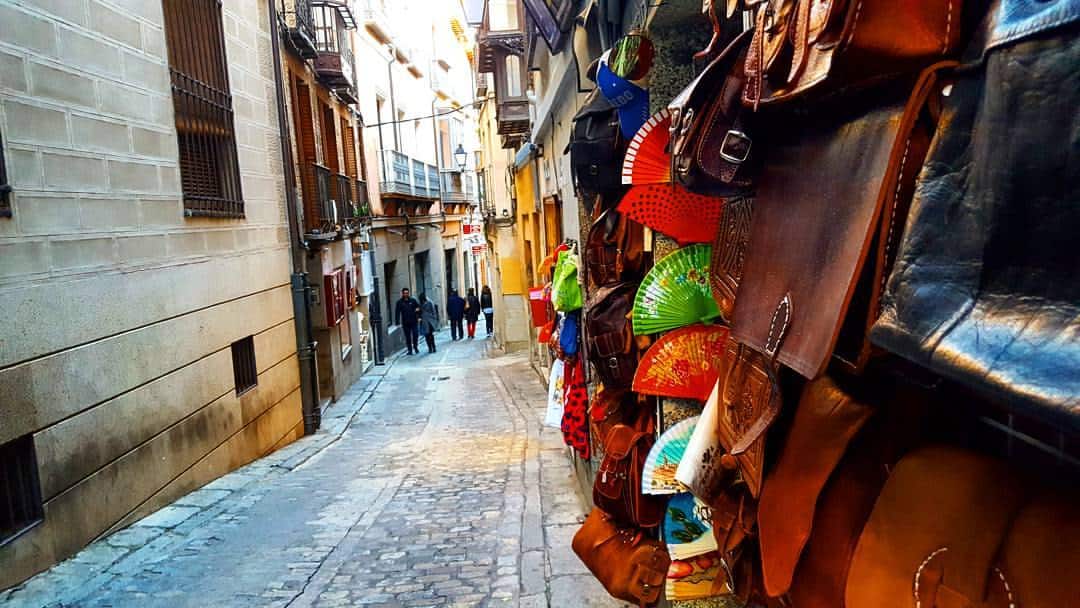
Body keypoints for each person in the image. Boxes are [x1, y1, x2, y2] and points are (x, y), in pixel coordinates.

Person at [394, 288, 421, 355]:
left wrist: (419, 316)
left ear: (408, 293)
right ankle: (410, 350)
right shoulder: (399, 302)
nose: (406, 294)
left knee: (415, 335)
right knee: (408, 337)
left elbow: (418, 308)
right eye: (404, 293)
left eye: (407, 293)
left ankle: (415, 346)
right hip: (405, 322)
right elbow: (397, 312)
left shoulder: (413, 300)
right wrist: (397, 321)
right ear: (402, 293)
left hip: (414, 321)